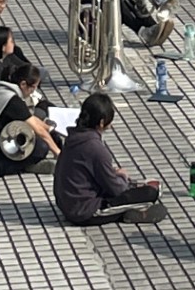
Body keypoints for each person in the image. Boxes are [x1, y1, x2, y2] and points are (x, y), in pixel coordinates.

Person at [54, 93, 166, 225]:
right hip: (85, 211)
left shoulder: (73, 137)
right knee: (151, 192)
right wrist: (123, 178)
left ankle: (129, 209)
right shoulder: (96, 148)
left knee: (133, 186)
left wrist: (113, 174)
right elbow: (116, 189)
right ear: (101, 122)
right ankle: (130, 213)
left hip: (68, 203)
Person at [0, 59, 61, 175]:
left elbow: (31, 118)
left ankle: (23, 164)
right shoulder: (13, 102)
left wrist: (50, 129)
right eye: (33, 88)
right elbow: (39, 131)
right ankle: (25, 165)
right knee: (41, 147)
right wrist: (58, 153)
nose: (33, 92)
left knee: (40, 132)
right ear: (23, 84)